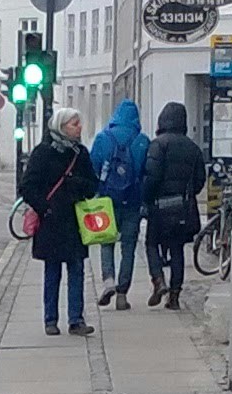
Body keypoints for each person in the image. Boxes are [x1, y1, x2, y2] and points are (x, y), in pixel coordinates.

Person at [19, 109, 99, 337]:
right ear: (62, 127)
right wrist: (45, 207)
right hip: (51, 222)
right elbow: (27, 187)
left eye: (78, 123)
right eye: (75, 124)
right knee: (52, 271)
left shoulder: (80, 153)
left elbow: (93, 186)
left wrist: (77, 184)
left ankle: (76, 320)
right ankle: (50, 319)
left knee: (77, 270)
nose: (79, 127)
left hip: (75, 221)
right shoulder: (43, 153)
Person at [142, 101, 208, 310]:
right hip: (183, 207)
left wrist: (147, 199)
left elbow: (151, 177)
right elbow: (199, 180)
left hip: (160, 206)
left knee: (151, 244)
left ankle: (158, 280)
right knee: (177, 250)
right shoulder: (193, 148)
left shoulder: (158, 144)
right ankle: (175, 296)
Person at [90, 98, 151, 309]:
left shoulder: (103, 138)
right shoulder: (142, 140)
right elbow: (147, 173)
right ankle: (123, 294)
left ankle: (108, 281)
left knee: (106, 242)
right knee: (128, 247)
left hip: (106, 201)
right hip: (133, 201)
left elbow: (93, 169)